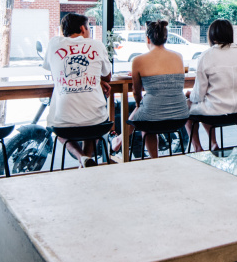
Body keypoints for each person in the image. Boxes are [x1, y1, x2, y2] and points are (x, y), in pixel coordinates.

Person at [43, 13, 112, 168]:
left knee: (58, 130)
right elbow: (107, 76)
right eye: (88, 28)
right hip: (97, 122)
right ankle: (85, 160)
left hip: (64, 124)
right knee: (92, 128)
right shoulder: (97, 45)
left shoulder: (54, 44)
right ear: (82, 28)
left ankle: (82, 158)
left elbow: (53, 70)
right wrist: (98, 80)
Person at [125, 20, 189, 158]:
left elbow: (136, 93)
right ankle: (119, 140)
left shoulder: (138, 60)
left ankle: (154, 159)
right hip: (180, 116)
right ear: (166, 38)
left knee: (146, 120)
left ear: (147, 39)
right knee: (147, 114)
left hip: (152, 119)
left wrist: (139, 105)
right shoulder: (178, 57)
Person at [186, 19, 237, 151]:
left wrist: (190, 95)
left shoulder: (206, 56)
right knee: (206, 104)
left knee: (188, 107)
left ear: (212, 36)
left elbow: (199, 94)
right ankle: (213, 143)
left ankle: (198, 148)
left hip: (214, 113)